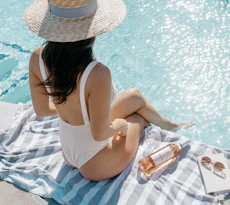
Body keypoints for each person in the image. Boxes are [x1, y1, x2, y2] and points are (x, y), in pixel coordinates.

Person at [24, 0, 194, 181]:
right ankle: (168, 129)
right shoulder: (97, 73)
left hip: (69, 152)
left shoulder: (37, 57)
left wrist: (71, 106)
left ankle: (169, 125)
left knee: (133, 96)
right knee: (137, 118)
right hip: (96, 163)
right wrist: (120, 125)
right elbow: (99, 133)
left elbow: (41, 110)